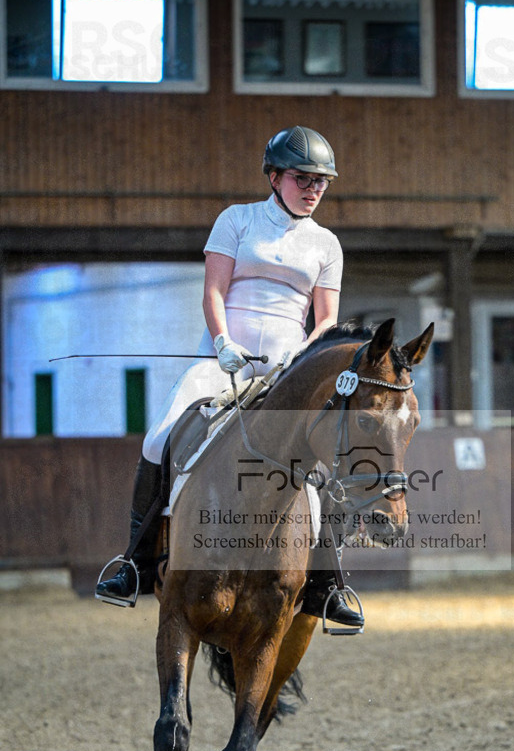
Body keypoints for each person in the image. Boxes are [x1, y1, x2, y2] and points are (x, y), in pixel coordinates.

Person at [96, 125, 363, 628]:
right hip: (222, 360)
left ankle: (328, 586)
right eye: (303, 178)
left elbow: (326, 318)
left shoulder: (327, 243)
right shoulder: (236, 221)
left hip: (288, 369)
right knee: (158, 440)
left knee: (324, 463)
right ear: (273, 176)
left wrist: (303, 357)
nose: (313, 189)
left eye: (321, 181)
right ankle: (132, 562)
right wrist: (222, 344)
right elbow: (214, 292)